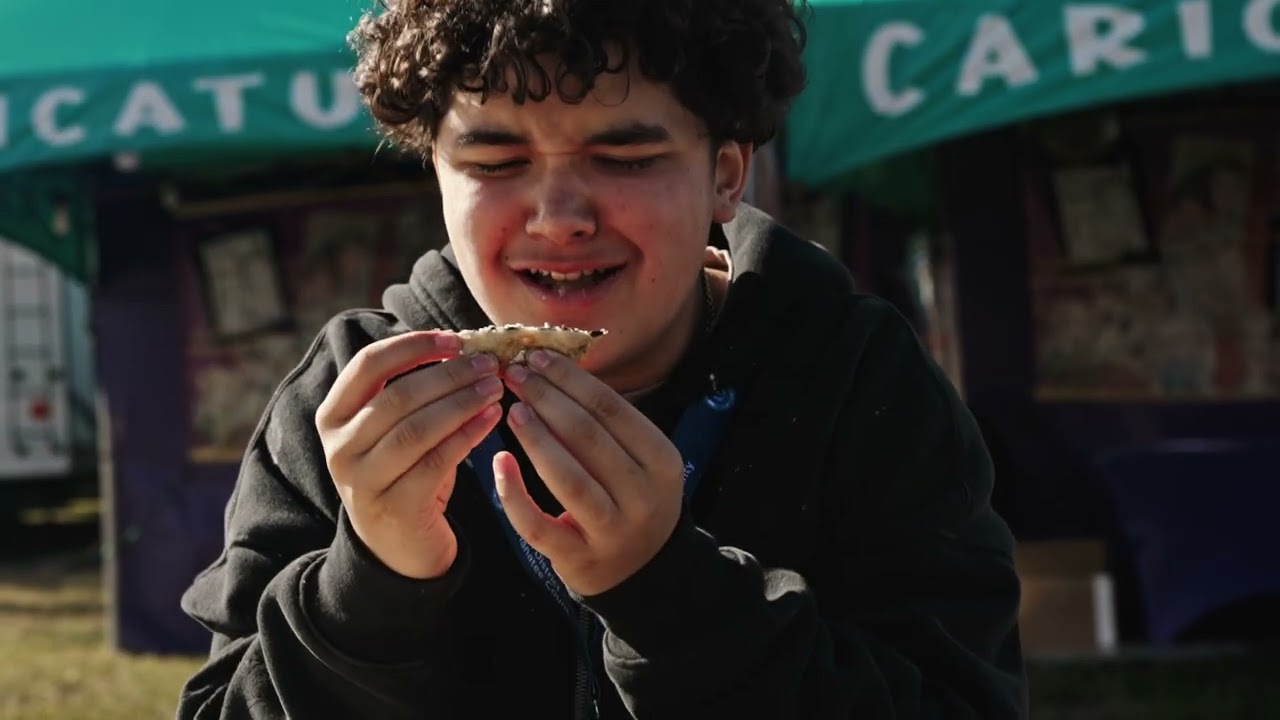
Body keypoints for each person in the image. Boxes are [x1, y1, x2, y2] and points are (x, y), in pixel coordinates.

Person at [176, 0, 1028, 717]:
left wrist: (665, 587)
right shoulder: (355, 399)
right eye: (495, 160)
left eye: (625, 158)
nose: (559, 216)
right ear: (436, 174)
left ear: (725, 175)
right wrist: (370, 584)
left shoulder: (856, 380)